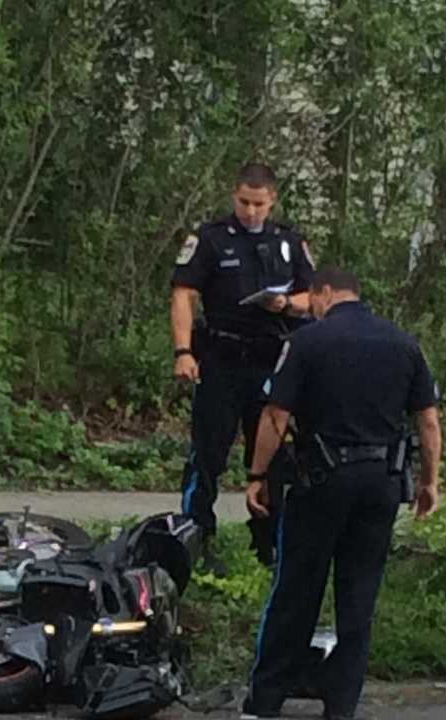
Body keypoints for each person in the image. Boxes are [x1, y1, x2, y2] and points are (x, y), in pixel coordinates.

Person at [241, 266, 442, 720]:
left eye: (312, 301)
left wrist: (257, 474)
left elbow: (275, 415)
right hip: (381, 484)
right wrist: (430, 481)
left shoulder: (307, 342)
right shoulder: (403, 342)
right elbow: (428, 421)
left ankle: (266, 700)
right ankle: (341, 705)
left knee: (296, 591)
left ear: (324, 294)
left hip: (321, 481)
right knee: (358, 598)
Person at [171, 163, 315, 575]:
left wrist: (287, 305)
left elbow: (314, 297)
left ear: (273, 202)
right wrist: (183, 351)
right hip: (221, 359)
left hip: (272, 360)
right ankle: (196, 538)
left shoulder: (288, 241)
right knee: (207, 453)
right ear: (233, 197)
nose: (251, 211)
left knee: (272, 457)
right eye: (243, 202)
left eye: (259, 204)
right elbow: (183, 294)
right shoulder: (212, 238)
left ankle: (268, 545)